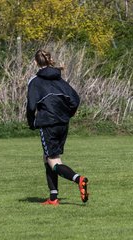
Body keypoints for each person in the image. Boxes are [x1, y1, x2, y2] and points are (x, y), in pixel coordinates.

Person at [26, 49, 89, 205]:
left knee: (53, 161)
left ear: (35, 63)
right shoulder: (60, 80)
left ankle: (78, 179)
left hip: (48, 124)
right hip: (63, 123)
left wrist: (31, 122)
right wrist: (68, 114)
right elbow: (75, 99)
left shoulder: (35, 81)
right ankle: (53, 197)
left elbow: (31, 106)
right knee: (48, 157)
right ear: (50, 60)